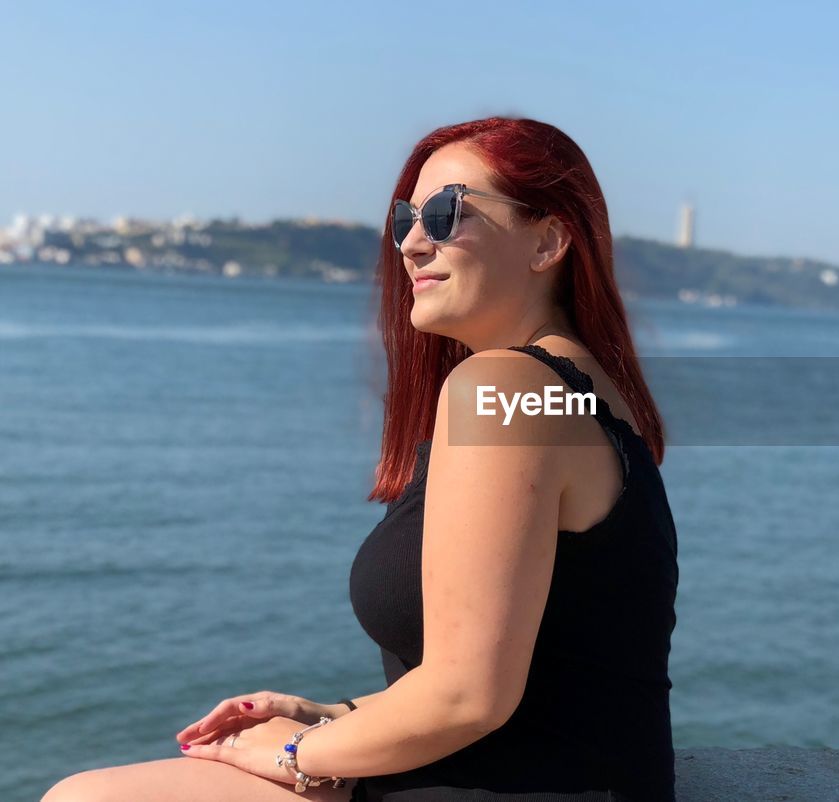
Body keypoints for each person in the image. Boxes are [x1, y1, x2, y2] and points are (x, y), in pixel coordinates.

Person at [41, 117, 680, 802]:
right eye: (406, 217)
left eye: (446, 213)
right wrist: (333, 715)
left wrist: (295, 754)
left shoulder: (502, 388)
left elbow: (469, 698)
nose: (411, 243)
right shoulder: (589, 401)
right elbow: (562, 677)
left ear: (549, 240)